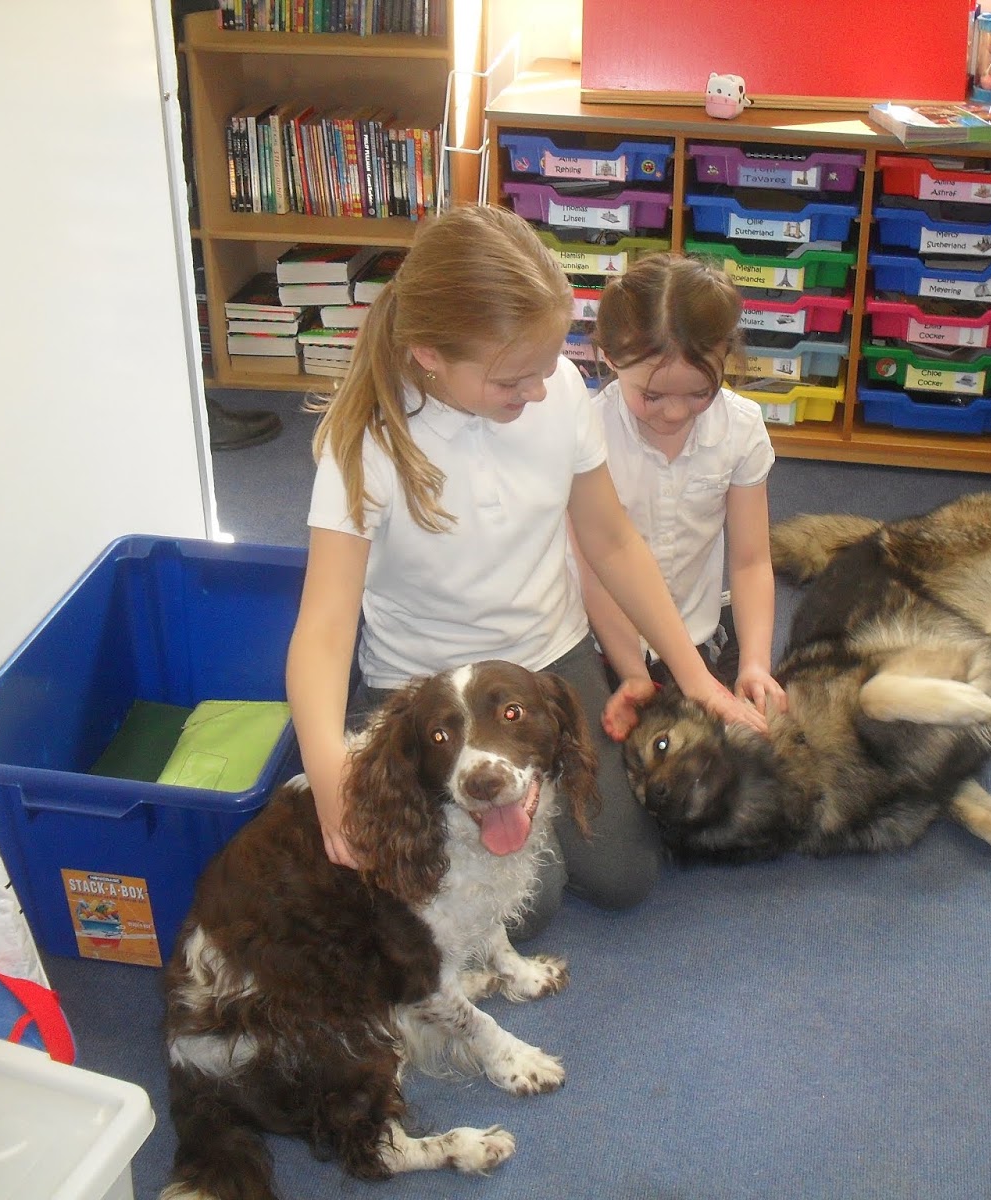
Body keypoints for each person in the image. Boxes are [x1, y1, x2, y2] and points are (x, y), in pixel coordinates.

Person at [285, 205, 766, 936]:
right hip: (422, 683)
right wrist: (328, 776)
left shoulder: (561, 391)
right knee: (528, 907)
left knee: (626, 877)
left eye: (549, 367)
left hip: (545, 657)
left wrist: (695, 678)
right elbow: (323, 627)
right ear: (429, 355)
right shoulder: (366, 446)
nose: (540, 390)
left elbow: (611, 543)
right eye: (516, 378)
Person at [575, 253, 788, 741]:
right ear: (608, 356)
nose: (673, 413)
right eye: (651, 396)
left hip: (697, 631)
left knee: (755, 743)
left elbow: (752, 561)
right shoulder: (587, 431)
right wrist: (633, 670)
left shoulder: (741, 428)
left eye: (700, 392)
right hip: (606, 637)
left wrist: (756, 663)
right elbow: (595, 569)